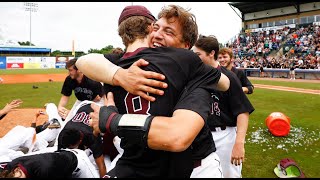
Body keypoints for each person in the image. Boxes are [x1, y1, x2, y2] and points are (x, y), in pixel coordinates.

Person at [77, 5, 229, 178]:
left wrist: (111, 120)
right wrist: (120, 76)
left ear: (186, 46)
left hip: (195, 168)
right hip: (141, 164)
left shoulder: (193, 72)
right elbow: (84, 61)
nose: (156, 35)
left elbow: (177, 136)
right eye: (156, 28)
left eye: (169, 32)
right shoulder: (120, 65)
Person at [192, 35, 255, 178]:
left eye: (198, 54)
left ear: (211, 53)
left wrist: (239, 143)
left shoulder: (230, 77)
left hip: (225, 135)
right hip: (201, 135)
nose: (195, 58)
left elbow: (243, 112)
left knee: (229, 175)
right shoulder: (195, 76)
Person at [57, 100, 107, 177]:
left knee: (107, 136)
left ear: (80, 141)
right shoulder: (63, 135)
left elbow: (101, 165)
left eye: (71, 147)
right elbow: (59, 158)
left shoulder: (92, 136)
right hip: (81, 107)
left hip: (99, 110)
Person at [0, 148, 99, 178]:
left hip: (77, 163)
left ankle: (90, 150)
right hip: (57, 157)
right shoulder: (11, 167)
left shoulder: (44, 170)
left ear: (16, 170)